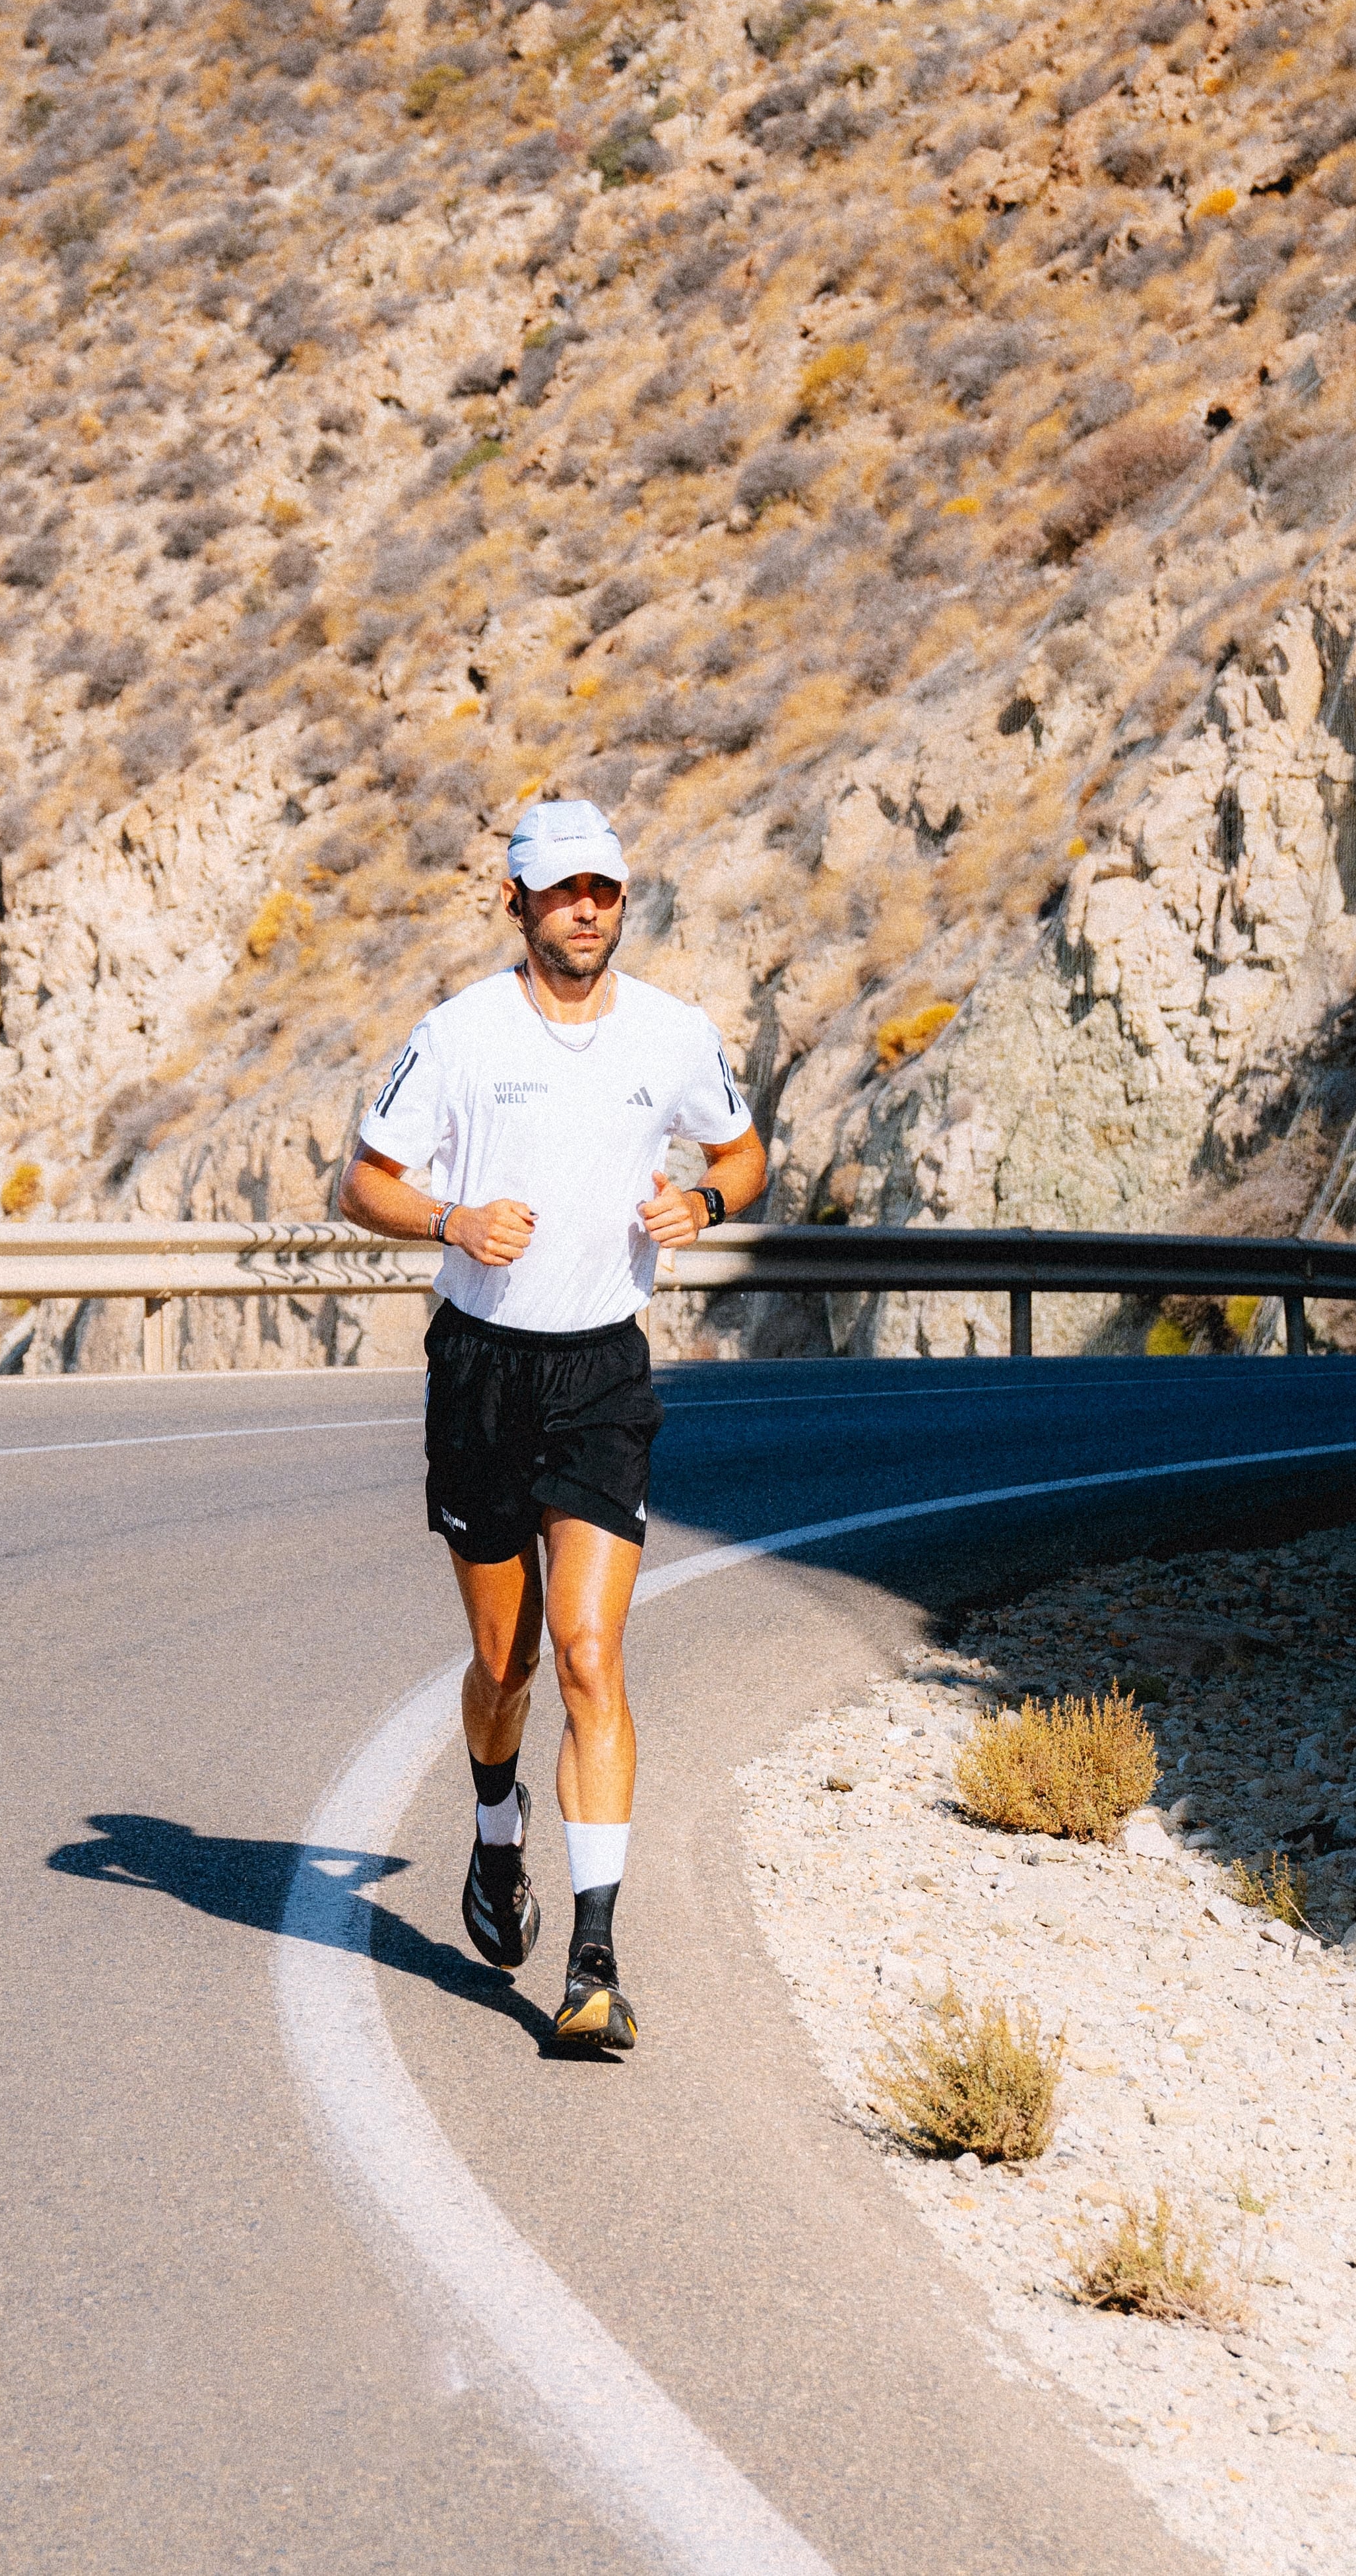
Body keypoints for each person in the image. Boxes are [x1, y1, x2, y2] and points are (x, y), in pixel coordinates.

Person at [337, 799, 767, 2048]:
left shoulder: (674, 1033)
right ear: (518, 900)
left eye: (608, 889)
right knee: (508, 1663)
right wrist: (450, 1221)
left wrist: (702, 1198)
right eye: (564, 888)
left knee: (588, 1650)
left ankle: (593, 1961)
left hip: (599, 1376)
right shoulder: (461, 1035)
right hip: (480, 1371)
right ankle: (491, 1825)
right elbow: (363, 1179)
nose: (589, 907)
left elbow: (743, 1156)